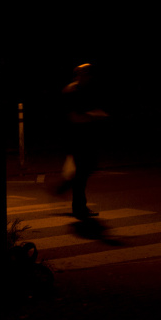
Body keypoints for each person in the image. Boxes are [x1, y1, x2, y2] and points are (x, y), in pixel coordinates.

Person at [54, 62, 107, 219]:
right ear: (79, 75)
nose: (89, 77)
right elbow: (74, 117)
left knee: (86, 169)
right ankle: (78, 206)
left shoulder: (84, 90)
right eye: (86, 74)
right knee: (82, 173)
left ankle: (69, 192)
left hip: (84, 137)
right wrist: (93, 116)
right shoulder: (71, 91)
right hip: (75, 138)